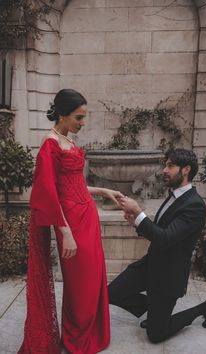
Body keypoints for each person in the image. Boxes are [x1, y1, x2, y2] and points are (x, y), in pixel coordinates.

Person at [18, 89, 123, 354]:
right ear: (62, 115)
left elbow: (74, 184)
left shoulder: (69, 142)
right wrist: (65, 232)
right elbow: (47, 192)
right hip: (71, 223)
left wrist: (103, 191)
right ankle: (77, 339)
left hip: (87, 217)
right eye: (78, 117)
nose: (82, 122)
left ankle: (93, 334)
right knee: (80, 284)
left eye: (84, 117)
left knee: (94, 278)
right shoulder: (50, 144)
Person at [109, 148, 206, 343]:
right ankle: (155, 311)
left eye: (170, 165)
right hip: (151, 263)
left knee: (156, 335)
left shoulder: (195, 205)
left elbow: (166, 238)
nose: (164, 170)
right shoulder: (174, 195)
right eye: (165, 165)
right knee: (111, 293)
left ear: (186, 170)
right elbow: (160, 231)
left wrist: (139, 212)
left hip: (169, 275)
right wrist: (135, 220)